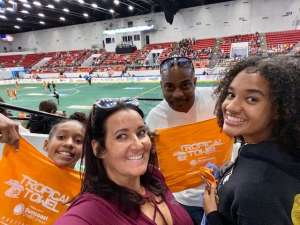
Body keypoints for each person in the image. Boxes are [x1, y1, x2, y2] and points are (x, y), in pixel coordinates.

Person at [55, 99, 193, 225]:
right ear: (99, 149)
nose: (138, 145)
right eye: (122, 136)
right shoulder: (89, 212)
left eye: (141, 133)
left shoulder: (154, 177)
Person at [203, 56, 300, 225]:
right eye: (231, 94)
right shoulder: (272, 149)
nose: (231, 106)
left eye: (252, 99)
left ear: (279, 109)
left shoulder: (259, 191)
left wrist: (212, 214)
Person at [145, 57, 215, 224]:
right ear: (161, 86)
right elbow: (150, 167)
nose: (177, 94)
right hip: (183, 202)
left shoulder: (217, 100)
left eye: (185, 85)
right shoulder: (154, 119)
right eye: (169, 87)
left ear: (195, 82)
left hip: (221, 194)